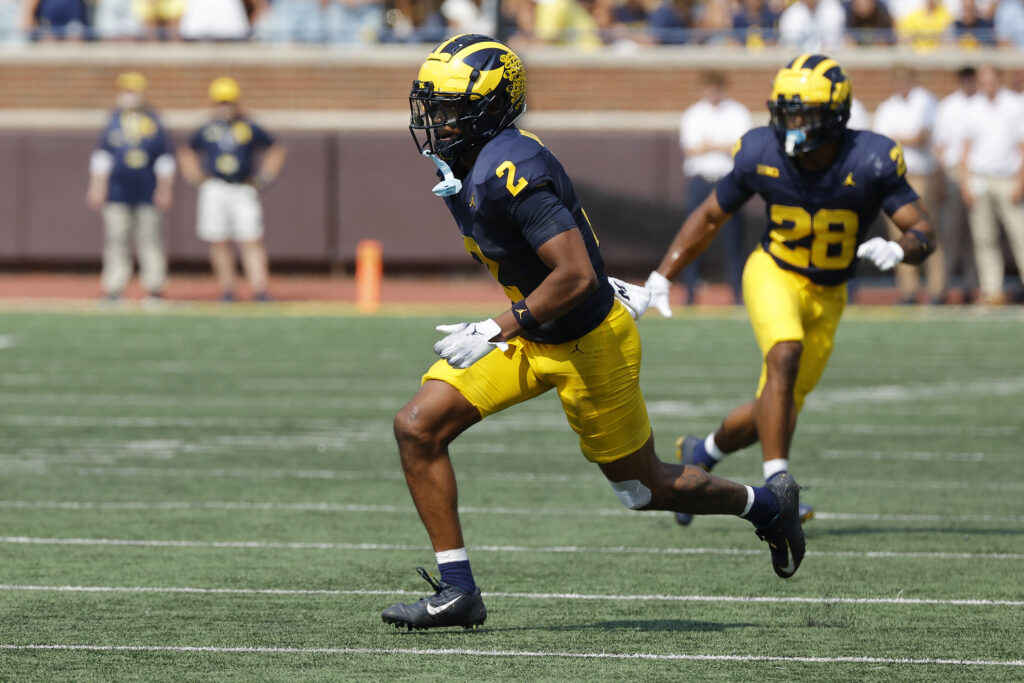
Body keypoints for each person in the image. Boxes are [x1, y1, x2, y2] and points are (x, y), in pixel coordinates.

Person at [380, 33, 807, 632]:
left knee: (644, 489)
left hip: (586, 344)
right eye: (435, 107)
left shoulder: (511, 166)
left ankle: (764, 504)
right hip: (533, 334)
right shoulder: (471, 160)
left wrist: (495, 325)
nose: (438, 121)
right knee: (417, 426)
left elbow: (574, 272)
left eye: (451, 108)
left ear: (493, 105)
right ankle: (458, 592)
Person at [642, 54, 935, 527]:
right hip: (774, 271)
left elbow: (923, 229)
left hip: (829, 293)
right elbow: (712, 215)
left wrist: (904, 250)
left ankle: (703, 451)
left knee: (774, 407)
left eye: (805, 114)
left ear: (837, 116)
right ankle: (779, 489)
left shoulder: (872, 157)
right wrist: (663, 275)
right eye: (786, 112)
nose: (792, 124)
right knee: (784, 353)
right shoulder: (763, 151)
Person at [177, 77, 286, 302]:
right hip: (215, 186)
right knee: (219, 240)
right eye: (220, 102)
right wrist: (195, 176)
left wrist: (266, 176)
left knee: (251, 238)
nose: (224, 106)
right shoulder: (207, 127)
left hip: (242, 187)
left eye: (228, 101)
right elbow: (186, 150)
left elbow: (276, 147)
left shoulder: (248, 126)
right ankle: (228, 289)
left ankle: (260, 288)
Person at [86, 72, 175, 302]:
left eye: (132, 91)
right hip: (117, 190)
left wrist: (164, 189)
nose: (128, 96)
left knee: (150, 239)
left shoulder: (154, 121)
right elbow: (102, 156)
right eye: (124, 91)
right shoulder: (113, 120)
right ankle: (114, 288)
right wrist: (97, 186)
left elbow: (165, 160)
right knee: (116, 239)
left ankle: (154, 288)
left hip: (147, 189)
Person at [677, 71, 752, 304]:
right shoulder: (693, 114)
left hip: (729, 181)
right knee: (694, 236)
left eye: (716, 87)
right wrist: (721, 146)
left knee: (733, 240)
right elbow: (691, 149)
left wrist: (709, 145)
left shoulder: (738, 112)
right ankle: (690, 293)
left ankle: (737, 295)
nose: (712, 92)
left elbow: (740, 147)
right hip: (701, 181)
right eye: (708, 87)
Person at [872, 66, 944, 304]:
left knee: (927, 229)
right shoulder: (887, 107)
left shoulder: (926, 101)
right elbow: (883, 145)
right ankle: (908, 290)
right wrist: (906, 138)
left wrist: (899, 139)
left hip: (922, 174)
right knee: (899, 235)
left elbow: (922, 138)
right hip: (897, 178)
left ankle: (936, 289)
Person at [958, 63, 1024, 305]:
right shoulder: (972, 107)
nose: (987, 83)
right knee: (984, 238)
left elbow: (1022, 147)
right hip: (980, 179)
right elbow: (965, 149)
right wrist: (965, 183)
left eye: (990, 78)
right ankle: (991, 290)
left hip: (1008, 178)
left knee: (1020, 235)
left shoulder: (1015, 105)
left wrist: (1020, 182)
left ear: (999, 78)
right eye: (982, 79)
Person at [932, 65, 978, 303]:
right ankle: (944, 286)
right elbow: (940, 147)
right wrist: (940, 179)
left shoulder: (983, 105)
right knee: (950, 234)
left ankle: (972, 286)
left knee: (976, 235)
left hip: (979, 173)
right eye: (965, 77)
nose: (968, 81)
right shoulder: (948, 106)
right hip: (952, 174)